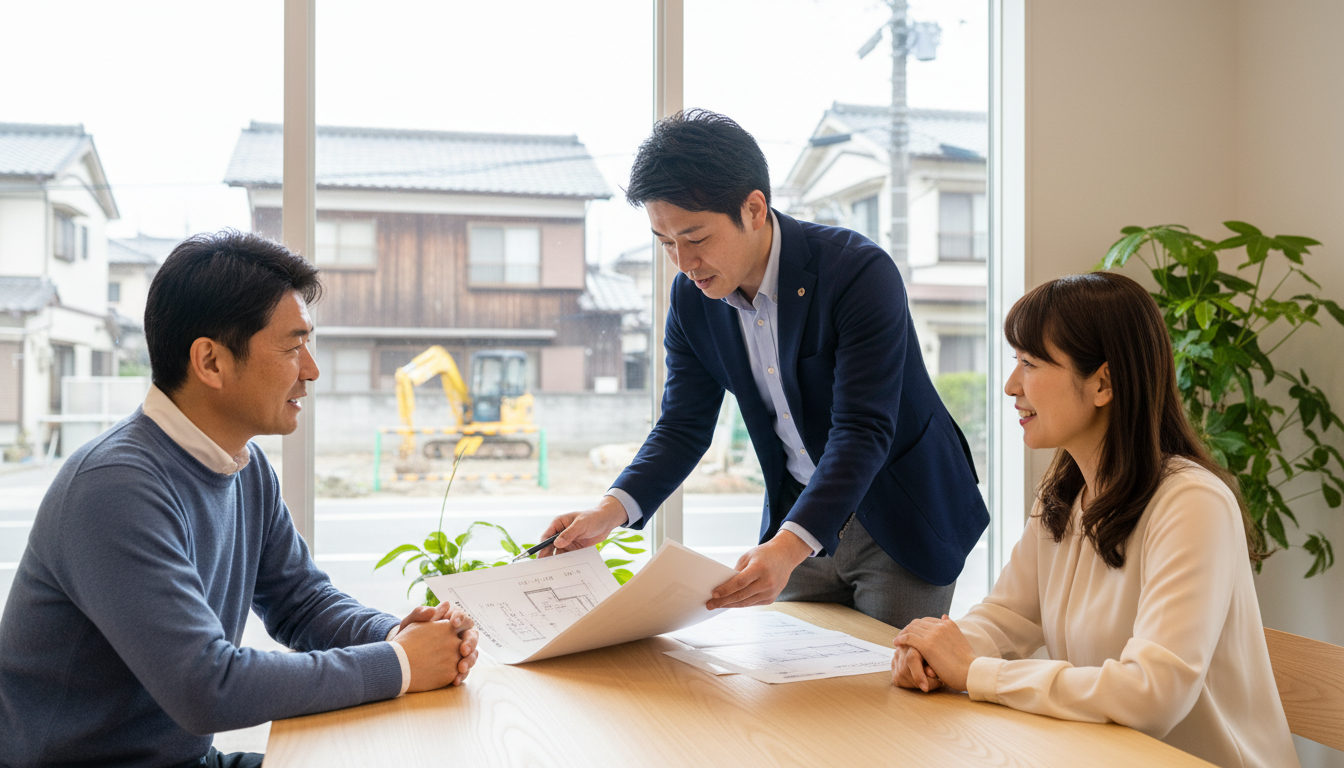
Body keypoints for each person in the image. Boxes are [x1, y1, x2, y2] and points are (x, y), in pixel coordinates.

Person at [0, 231, 481, 768]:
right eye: (293, 347)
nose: (311, 370)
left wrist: (395, 633)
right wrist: (400, 664)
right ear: (210, 362)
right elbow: (208, 686)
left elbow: (303, 603)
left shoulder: (243, 468)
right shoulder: (114, 486)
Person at [539, 110, 988, 628]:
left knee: (889, 688)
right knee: (790, 686)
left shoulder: (857, 272)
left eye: (696, 237)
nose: (683, 263)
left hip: (899, 512)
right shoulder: (692, 298)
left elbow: (863, 430)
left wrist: (789, 546)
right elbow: (682, 426)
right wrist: (609, 512)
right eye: (666, 243)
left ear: (754, 208)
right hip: (797, 513)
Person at [891, 272, 1299, 768]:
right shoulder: (1066, 494)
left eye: (1030, 363)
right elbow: (1007, 617)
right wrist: (938, 655)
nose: (1010, 385)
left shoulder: (1192, 504)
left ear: (1102, 382)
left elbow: (1152, 695)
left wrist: (976, 672)